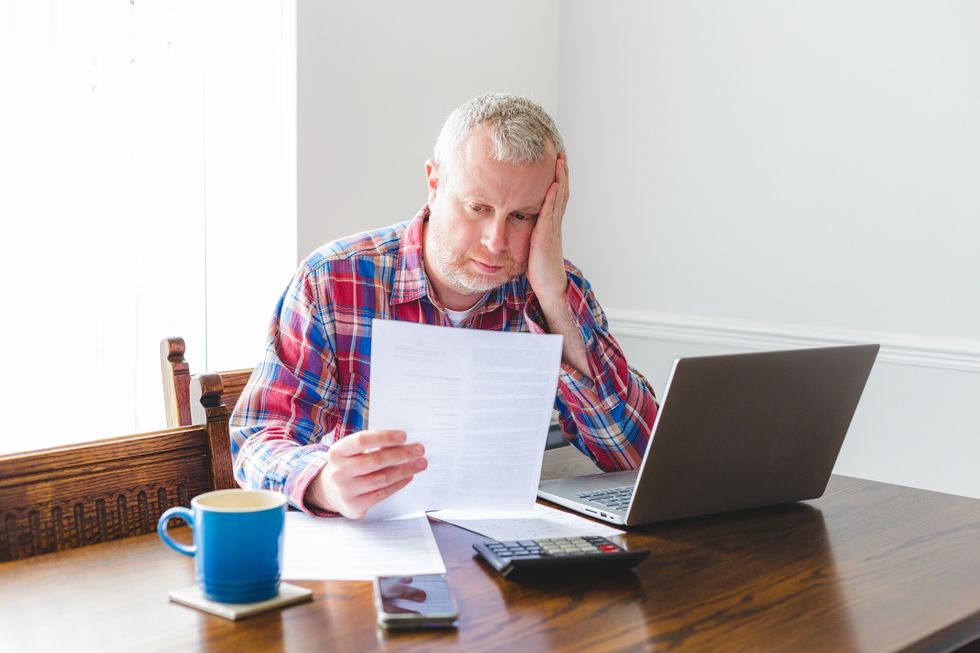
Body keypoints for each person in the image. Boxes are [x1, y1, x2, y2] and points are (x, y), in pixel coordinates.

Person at [230, 93, 658, 519]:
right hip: (366, 552)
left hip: (504, 555)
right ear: (434, 184)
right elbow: (258, 443)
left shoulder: (554, 290)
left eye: (523, 216)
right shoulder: (333, 279)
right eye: (479, 208)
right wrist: (324, 482)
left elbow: (636, 454)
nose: (496, 241)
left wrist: (553, 299)